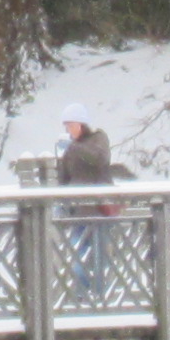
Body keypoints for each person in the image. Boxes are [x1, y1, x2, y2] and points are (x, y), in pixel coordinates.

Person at [54, 107, 119, 300]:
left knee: (99, 256)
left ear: (82, 124)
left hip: (99, 210)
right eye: (66, 127)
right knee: (78, 256)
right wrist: (62, 202)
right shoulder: (71, 150)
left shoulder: (98, 138)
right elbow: (64, 179)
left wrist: (74, 148)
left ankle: (100, 296)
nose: (69, 131)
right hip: (79, 211)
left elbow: (99, 159)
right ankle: (81, 296)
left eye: (71, 125)